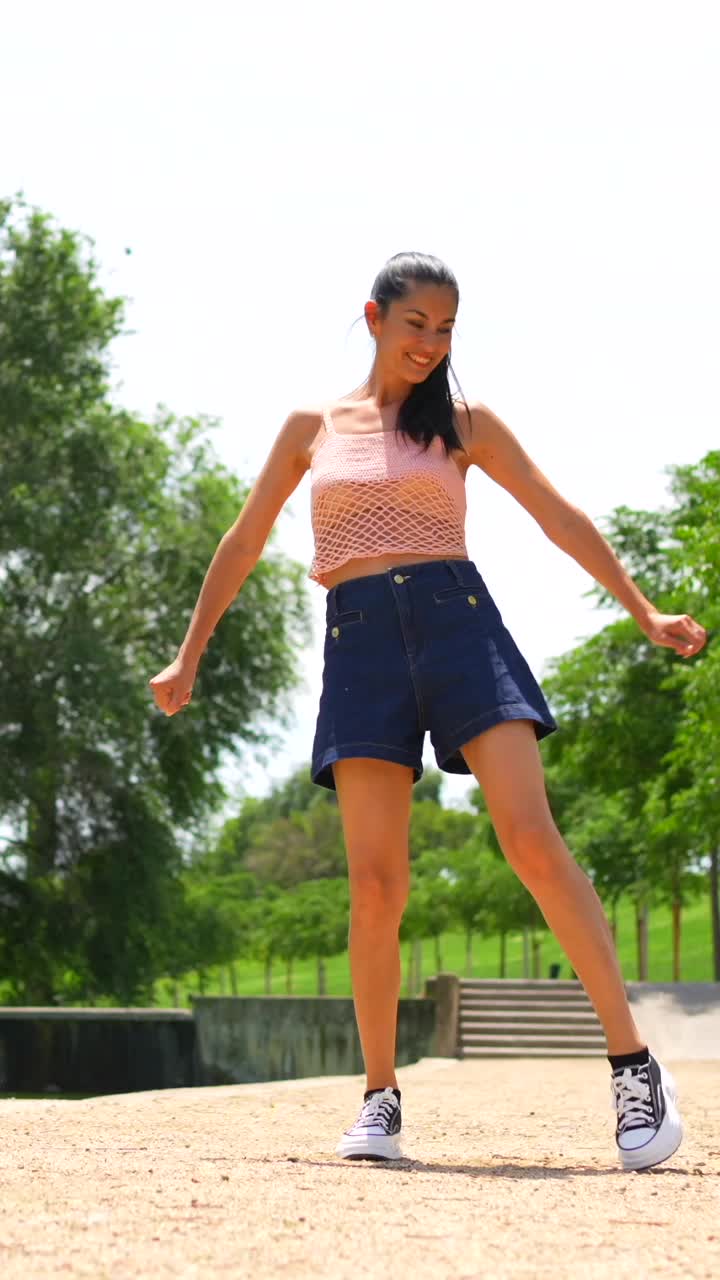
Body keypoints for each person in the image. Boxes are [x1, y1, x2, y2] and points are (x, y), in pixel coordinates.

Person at [149, 251, 707, 1171]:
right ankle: (379, 1097)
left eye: (446, 329)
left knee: (531, 839)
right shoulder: (309, 428)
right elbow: (243, 540)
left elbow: (556, 515)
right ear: (374, 318)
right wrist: (190, 651)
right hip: (359, 640)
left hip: (458, 625)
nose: (432, 344)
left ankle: (632, 1065)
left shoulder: (461, 423)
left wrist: (641, 606)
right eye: (417, 325)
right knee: (377, 886)